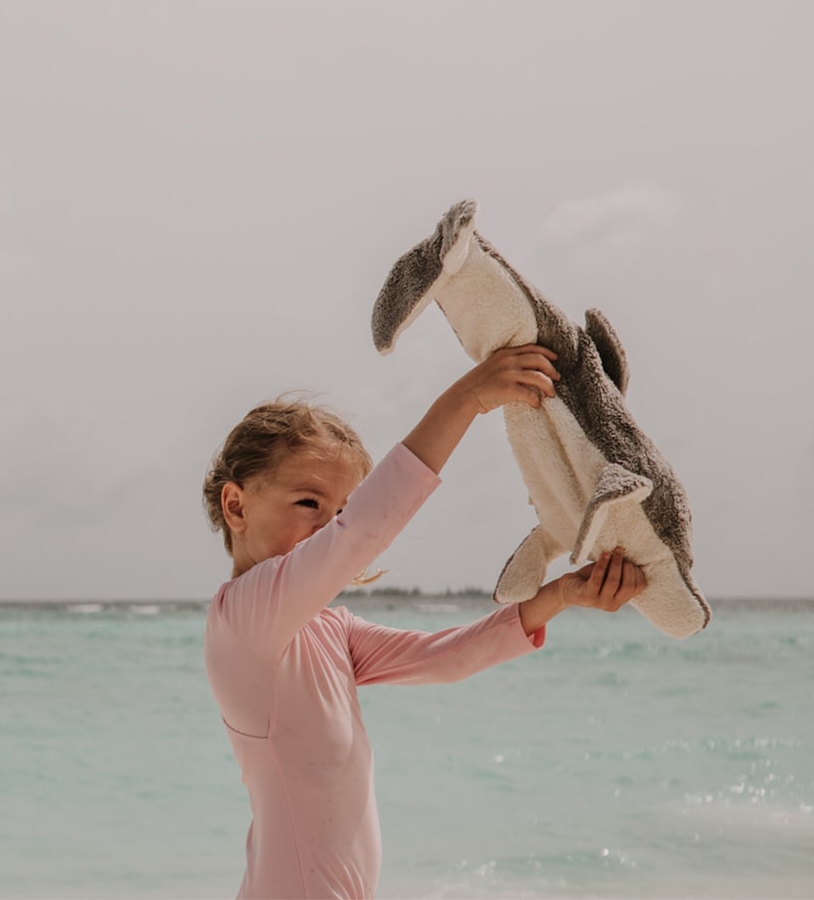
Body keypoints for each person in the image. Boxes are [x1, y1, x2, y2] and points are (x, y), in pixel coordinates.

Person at [202, 345, 647, 900]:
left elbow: (446, 657)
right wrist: (468, 399)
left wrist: (561, 594)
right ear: (236, 506)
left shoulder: (326, 630)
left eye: (340, 510)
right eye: (309, 503)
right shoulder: (241, 618)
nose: (330, 527)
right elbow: (360, 535)